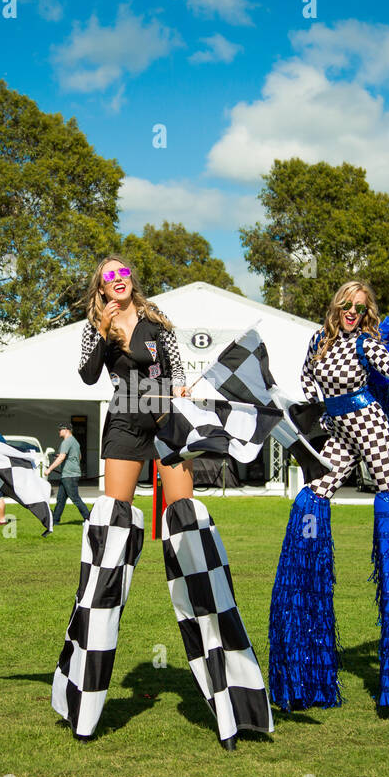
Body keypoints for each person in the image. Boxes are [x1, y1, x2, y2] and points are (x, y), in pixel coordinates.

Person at [51, 254, 273, 751]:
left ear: (133, 280)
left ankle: (229, 694)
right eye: (109, 275)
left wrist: (178, 393)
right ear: (101, 286)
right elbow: (88, 378)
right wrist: (106, 332)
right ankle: (84, 701)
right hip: (124, 423)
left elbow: (170, 373)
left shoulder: (158, 323)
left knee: (189, 529)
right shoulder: (96, 327)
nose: (119, 279)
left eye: (124, 272)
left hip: (164, 418)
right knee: (110, 536)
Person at [269, 281, 389, 716]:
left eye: (360, 306)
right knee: (312, 496)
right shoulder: (319, 340)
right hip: (338, 433)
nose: (352, 311)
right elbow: (307, 382)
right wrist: (301, 409)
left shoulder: (367, 343)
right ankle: (305, 665)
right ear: (336, 305)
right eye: (347, 305)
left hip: (369, 425)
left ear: (366, 311)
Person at [48, 423, 90, 525]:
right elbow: (78, 457)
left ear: (66, 430)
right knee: (61, 499)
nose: (59, 431)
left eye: (60, 430)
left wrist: (49, 469)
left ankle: (89, 519)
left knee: (75, 498)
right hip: (69, 474)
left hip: (69, 475)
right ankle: (55, 521)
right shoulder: (75, 442)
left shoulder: (66, 442)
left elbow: (62, 457)